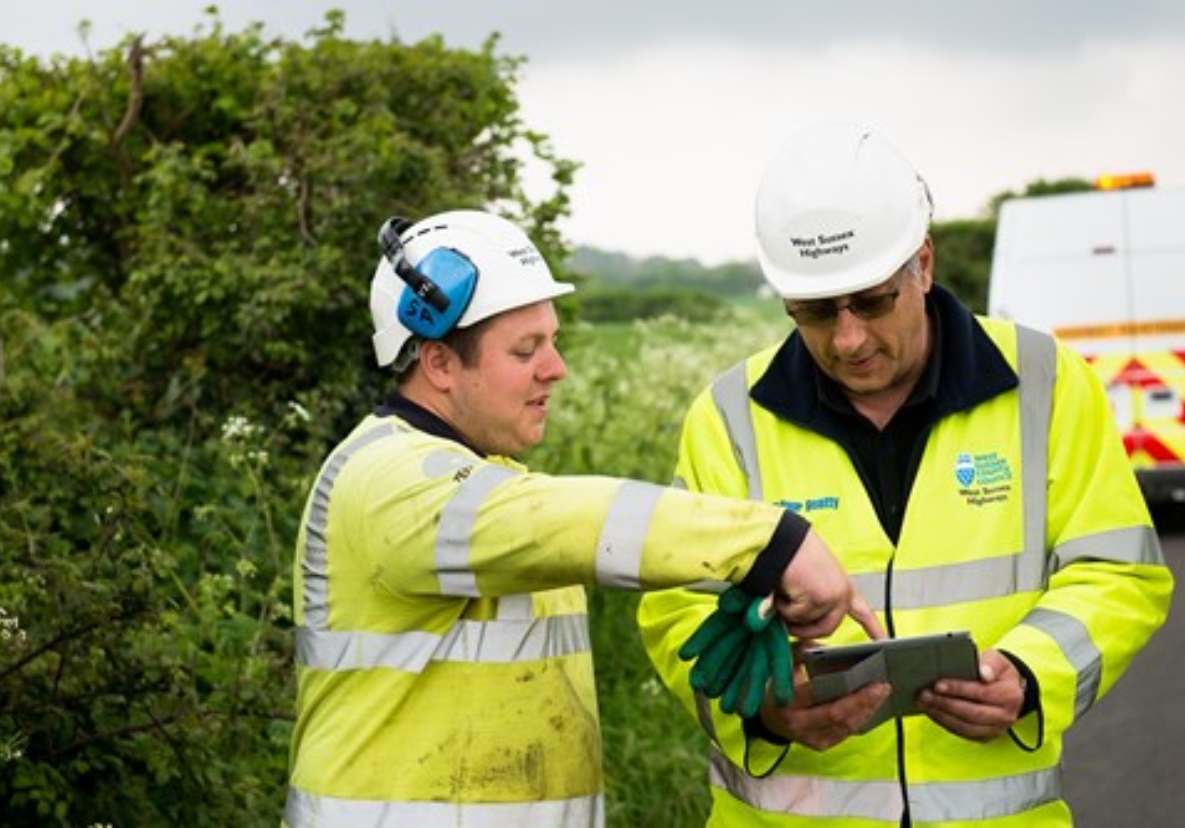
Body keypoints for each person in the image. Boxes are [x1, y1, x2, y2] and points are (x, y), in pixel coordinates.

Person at [637, 122, 1175, 827]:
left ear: (923, 263)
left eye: (871, 301)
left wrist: (1028, 672)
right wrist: (765, 708)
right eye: (816, 312)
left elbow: (1118, 571)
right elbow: (678, 610)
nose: (848, 338)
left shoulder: (1045, 383)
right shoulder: (728, 416)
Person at [282, 208, 882, 828]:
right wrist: (772, 542)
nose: (556, 368)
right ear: (438, 364)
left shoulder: (487, 477)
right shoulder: (389, 479)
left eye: (554, 341)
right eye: (526, 349)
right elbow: (561, 517)